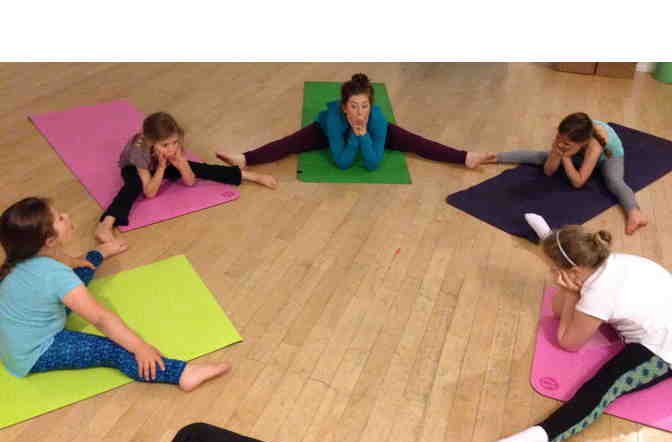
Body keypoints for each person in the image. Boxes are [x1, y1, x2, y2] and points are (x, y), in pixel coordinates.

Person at [0, 197, 231, 391]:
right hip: (33, 353)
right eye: (60, 218)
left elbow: (63, 261)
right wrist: (140, 347)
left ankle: (98, 253)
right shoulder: (55, 275)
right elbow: (102, 318)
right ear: (50, 241)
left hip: (19, 336)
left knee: (80, 269)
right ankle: (182, 374)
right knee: (114, 349)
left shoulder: (24, 256)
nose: (67, 215)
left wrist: (81, 260)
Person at [492, 223, 672, 442]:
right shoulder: (612, 260)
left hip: (663, 349)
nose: (551, 275)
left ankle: (542, 437)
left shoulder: (597, 294)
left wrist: (570, 291)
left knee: (606, 383)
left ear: (575, 271)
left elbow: (568, 341)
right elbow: (559, 311)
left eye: (553, 269)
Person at [216, 73, 494, 173]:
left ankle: (466, 157)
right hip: (328, 132)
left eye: (364, 106)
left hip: (368, 133)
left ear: (371, 106)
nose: (360, 113)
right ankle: (245, 158)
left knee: (416, 142)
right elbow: (342, 163)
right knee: (290, 143)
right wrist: (353, 138)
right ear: (344, 107)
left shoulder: (376, 119)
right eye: (353, 106)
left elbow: (372, 164)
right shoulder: (334, 120)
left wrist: (363, 135)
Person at [95, 112, 277, 243]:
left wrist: (181, 163)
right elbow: (149, 193)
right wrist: (161, 168)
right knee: (133, 185)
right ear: (151, 142)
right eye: (165, 145)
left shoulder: (173, 147)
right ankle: (106, 224)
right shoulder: (139, 151)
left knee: (199, 167)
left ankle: (246, 175)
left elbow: (190, 182)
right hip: (135, 168)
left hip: (159, 165)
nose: (171, 148)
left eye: (174, 142)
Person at [484, 112, 648, 235]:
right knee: (540, 156)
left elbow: (578, 182)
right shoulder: (566, 139)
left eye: (566, 143)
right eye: (558, 138)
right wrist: (557, 153)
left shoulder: (594, 146)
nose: (560, 144)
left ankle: (635, 213)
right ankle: (493, 157)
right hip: (579, 152)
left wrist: (566, 158)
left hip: (608, 156)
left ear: (582, 143)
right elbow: (548, 171)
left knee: (614, 181)